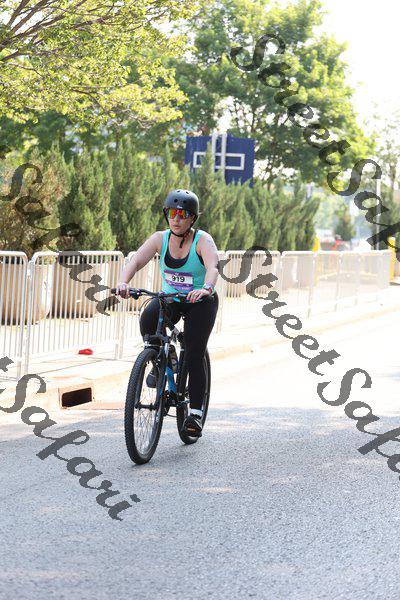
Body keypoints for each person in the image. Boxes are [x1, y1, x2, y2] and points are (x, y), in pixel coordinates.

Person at [115, 189, 219, 438]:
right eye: (172, 213)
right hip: (170, 299)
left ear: (192, 218)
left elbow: (213, 267)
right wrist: (123, 283)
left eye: (182, 215)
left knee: (193, 353)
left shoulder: (202, 241)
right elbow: (135, 261)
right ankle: (162, 361)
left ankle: (195, 413)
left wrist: (206, 288)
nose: (176, 219)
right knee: (148, 318)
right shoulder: (160, 239)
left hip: (199, 301)